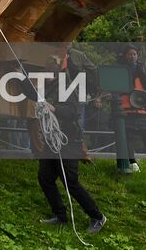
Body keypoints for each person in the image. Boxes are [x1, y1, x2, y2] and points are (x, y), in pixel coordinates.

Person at [32, 53, 107, 234]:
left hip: (68, 141)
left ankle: (97, 216)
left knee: (70, 182)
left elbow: (73, 112)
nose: (44, 77)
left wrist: (54, 108)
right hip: (53, 142)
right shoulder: (45, 88)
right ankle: (60, 215)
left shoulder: (66, 87)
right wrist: (18, 73)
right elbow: (29, 91)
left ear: (54, 74)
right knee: (45, 178)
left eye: (47, 74)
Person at [118, 47, 146, 177]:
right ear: (125, 56)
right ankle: (133, 163)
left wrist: (141, 72)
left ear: (137, 56)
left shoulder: (141, 70)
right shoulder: (120, 69)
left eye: (134, 54)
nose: (132, 56)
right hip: (127, 108)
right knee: (129, 137)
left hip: (141, 108)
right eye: (130, 54)